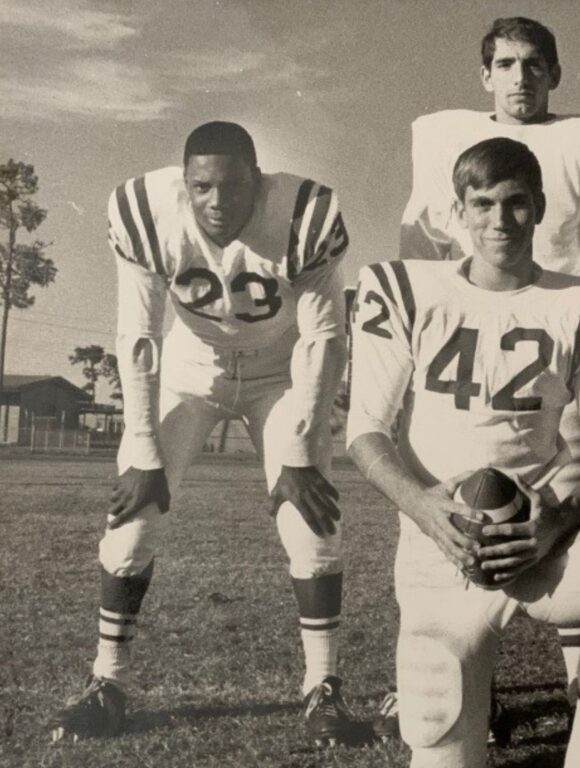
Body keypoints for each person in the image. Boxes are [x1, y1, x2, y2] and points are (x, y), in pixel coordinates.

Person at [348, 137, 580, 768]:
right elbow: (365, 431)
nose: (501, 220)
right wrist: (423, 509)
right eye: (484, 203)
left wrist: (554, 522)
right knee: (443, 753)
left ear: (541, 207)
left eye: (517, 204)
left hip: (539, 539)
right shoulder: (403, 289)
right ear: (459, 213)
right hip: (439, 551)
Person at [51, 121, 356, 747]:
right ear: (184, 185)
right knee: (134, 519)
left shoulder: (306, 214)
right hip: (189, 369)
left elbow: (326, 338)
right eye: (202, 188)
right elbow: (137, 333)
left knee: (310, 521)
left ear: (259, 180)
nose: (218, 203)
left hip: (281, 369)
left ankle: (322, 688)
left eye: (234, 187)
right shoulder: (144, 211)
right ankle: (106, 681)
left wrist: (300, 446)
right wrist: (140, 446)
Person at [397, 15, 580, 722]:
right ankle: (468, 681)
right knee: (455, 509)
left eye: (534, 65)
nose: (519, 78)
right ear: (484, 76)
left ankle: (577, 686)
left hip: (561, 343)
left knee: (558, 512)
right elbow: (419, 241)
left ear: (555, 74)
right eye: (504, 64)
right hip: (472, 343)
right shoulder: (440, 134)